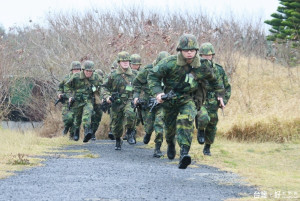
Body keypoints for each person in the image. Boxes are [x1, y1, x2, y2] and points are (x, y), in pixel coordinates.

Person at [148, 34, 225, 169]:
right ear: (180, 50)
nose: (189, 53)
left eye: (192, 50)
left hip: (189, 98)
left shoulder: (202, 65)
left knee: (186, 120)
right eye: (186, 50)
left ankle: (184, 153)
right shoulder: (169, 63)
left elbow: (215, 79)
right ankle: (171, 143)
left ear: (196, 51)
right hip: (169, 99)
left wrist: (220, 95)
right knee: (170, 128)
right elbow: (153, 75)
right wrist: (158, 93)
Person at [133, 51, 170, 158]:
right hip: (148, 102)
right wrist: (136, 96)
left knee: (159, 124)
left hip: (163, 102)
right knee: (149, 125)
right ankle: (148, 133)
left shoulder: (171, 71)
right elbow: (137, 83)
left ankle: (157, 148)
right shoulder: (148, 70)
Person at [196, 42, 231, 156]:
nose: (206, 58)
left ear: (212, 56)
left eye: (209, 56)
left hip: (213, 102)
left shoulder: (219, 70)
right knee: (203, 117)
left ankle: (207, 147)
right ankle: (200, 130)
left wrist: (223, 101)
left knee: (212, 125)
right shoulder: (196, 69)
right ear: (200, 56)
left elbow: (226, 87)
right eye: (204, 56)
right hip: (200, 100)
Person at [102, 51, 136, 150]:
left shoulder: (135, 74)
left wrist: (138, 97)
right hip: (116, 102)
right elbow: (104, 87)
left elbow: (141, 86)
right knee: (116, 126)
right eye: (123, 61)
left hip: (129, 100)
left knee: (131, 113)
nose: (125, 63)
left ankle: (130, 132)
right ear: (119, 62)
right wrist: (107, 97)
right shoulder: (113, 75)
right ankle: (118, 139)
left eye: (127, 61)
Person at [65, 60, 102, 142]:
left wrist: (101, 96)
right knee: (77, 118)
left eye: (90, 71)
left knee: (87, 114)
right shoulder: (76, 77)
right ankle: (76, 131)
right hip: (77, 100)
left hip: (88, 100)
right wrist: (70, 96)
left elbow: (103, 86)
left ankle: (87, 132)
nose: (89, 73)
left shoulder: (96, 77)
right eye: (87, 71)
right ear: (83, 70)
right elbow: (67, 86)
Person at [57, 61, 81, 139]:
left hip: (77, 102)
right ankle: (67, 127)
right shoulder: (66, 78)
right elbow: (60, 88)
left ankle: (72, 136)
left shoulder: (82, 80)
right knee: (68, 118)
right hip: (67, 102)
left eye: (78, 69)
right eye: (75, 69)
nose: (76, 71)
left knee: (75, 120)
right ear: (71, 70)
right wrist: (59, 94)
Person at [90, 69, 105, 141]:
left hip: (99, 103)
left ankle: (93, 132)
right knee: (91, 116)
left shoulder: (103, 85)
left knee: (98, 118)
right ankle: (89, 132)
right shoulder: (90, 82)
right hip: (91, 101)